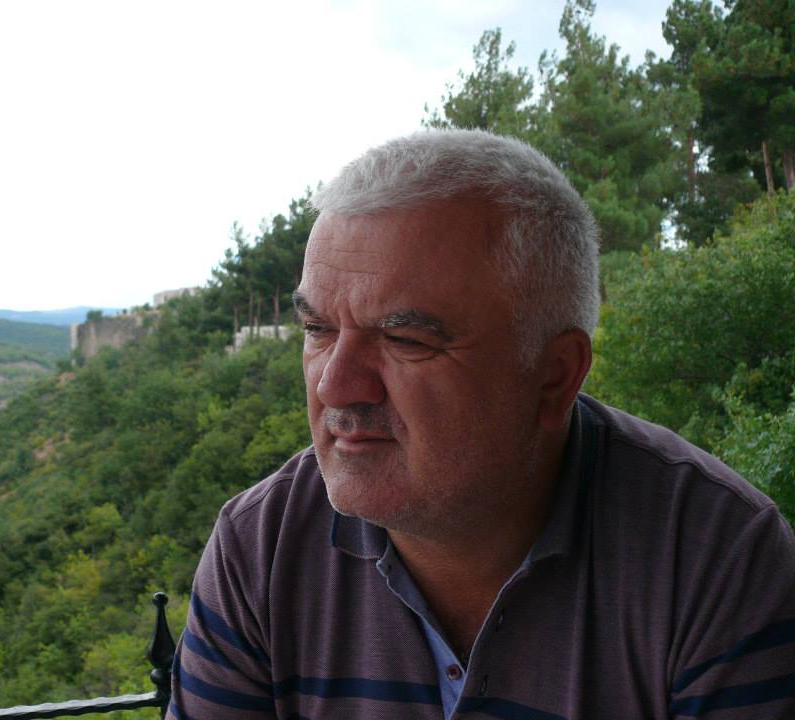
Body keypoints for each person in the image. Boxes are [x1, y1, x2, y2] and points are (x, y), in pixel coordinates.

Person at [168, 130, 795, 719]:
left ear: (553, 376)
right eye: (317, 329)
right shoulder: (261, 547)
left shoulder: (715, 560)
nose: (335, 385)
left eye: (405, 339)